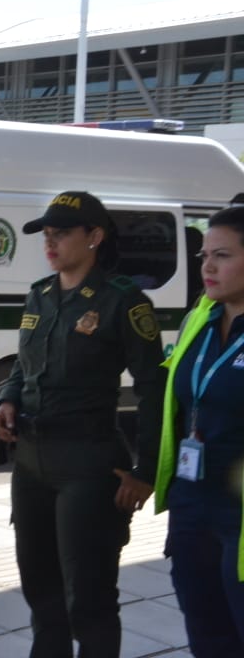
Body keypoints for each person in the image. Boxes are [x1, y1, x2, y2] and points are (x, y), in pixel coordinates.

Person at [0, 190, 165, 658]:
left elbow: (154, 389)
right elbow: (24, 368)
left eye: (61, 234)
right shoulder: (40, 295)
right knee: (41, 595)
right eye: (46, 235)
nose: (50, 243)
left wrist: (147, 469)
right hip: (31, 463)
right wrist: (6, 400)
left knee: (89, 600)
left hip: (87, 464)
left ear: (95, 237)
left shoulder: (122, 301)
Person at [153, 205, 244, 657]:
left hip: (240, 514)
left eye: (222, 255)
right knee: (206, 635)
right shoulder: (200, 319)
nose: (207, 266)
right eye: (204, 255)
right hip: (193, 503)